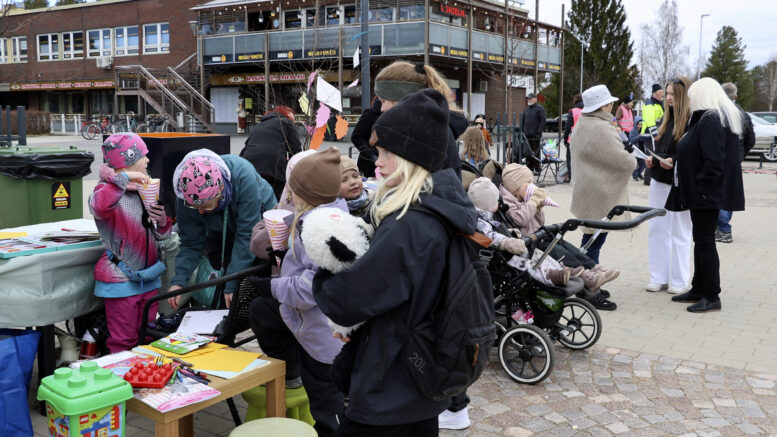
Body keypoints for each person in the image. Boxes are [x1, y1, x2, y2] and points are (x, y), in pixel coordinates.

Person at [313, 89, 476, 436]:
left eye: (387, 152)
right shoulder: (443, 206)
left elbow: (348, 299)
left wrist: (323, 277)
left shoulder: (412, 224)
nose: (377, 162)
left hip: (391, 383)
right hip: (418, 377)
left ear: (411, 157)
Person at [248, 148, 346, 437]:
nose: (289, 194)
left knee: (328, 409)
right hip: (310, 328)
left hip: (322, 336)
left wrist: (273, 286)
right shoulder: (323, 215)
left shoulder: (320, 229)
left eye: (293, 189)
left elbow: (310, 288)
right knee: (263, 311)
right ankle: (292, 373)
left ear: (304, 193)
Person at [667, 78, 745, 313]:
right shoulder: (709, 117)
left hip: (705, 194)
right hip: (704, 193)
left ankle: (711, 295)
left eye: (692, 96)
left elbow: (714, 161)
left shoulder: (711, 119)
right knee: (701, 241)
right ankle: (699, 288)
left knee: (705, 242)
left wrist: (701, 188)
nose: (689, 101)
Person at [89, 133, 172, 352]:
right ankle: (123, 381)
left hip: (149, 278)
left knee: (147, 337)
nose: (147, 161)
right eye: (143, 156)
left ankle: (144, 381)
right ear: (128, 161)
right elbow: (99, 206)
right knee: (123, 341)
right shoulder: (104, 191)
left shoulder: (145, 190)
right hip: (121, 279)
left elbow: (162, 235)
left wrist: (162, 221)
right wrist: (123, 180)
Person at [498, 163, 618, 310]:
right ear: (515, 185)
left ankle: (595, 269)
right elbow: (520, 219)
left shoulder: (523, 198)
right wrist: (533, 201)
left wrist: (538, 208)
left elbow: (539, 222)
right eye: (528, 183)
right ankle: (588, 279)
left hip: (539, 236)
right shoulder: (506, 201)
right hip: (529, 245)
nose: (532, 185)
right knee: (562, 254)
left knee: (570, 248)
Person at [167, 149, 277, 309]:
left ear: (220, 189)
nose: (200, 212)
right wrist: (179, 281)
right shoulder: (186, 191)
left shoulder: (243, 175)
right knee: (218, 275)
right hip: (219, 230)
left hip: (257, 226)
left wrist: (232, 285)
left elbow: (246, 235)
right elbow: (191, 242)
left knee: (247, 282)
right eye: (195, 206)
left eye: (206, 206)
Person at [569, 84, 636, 264]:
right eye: (609, 104)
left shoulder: (583, 124)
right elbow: (623, 161)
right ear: (602, 106)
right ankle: (590, 280)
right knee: (594, 242)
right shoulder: (601, 127)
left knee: (590, 238)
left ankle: (587, 277)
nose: (611, 107)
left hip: (584, 190)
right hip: (599, 194)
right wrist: (631, 156)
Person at [373, 60, 468, 177]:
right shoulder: (430, 128)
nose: (382, 108)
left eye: (383, 101)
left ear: (401, 99)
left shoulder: (425, 135)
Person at [645, 77, 693, 294]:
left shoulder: (691, 120)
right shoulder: (666, 118)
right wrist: (653, 160)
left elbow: (691, 153)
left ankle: (680, 280)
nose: (668, 97)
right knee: (657, 229)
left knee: (680, 232)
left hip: (679, 184)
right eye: (667, 93)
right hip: (658, 180)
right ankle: (658, 276)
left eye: (673, 93)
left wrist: (673, 160)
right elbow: (661, 148)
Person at [715, 82, 755, 244]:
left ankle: (723, 229)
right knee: (728, 193)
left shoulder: (716, 113)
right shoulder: (742, 114)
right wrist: (741, 155)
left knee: (718, 192)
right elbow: (750, 139)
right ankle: (722, 228)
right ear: (735, 96)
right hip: (733, 161)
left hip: (717, 158)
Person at [240, 106, 302, 200]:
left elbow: (246, 147)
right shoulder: (286, 122)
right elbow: (296, 148)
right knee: (276, 197)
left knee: (254, 196)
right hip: (273, 165)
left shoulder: (258, 126)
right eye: (292, 114)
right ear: (287, 113)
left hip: (250, 163)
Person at [351, 96, 382, 177]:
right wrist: (371, 156)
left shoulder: (396, 114)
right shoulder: (370, 114)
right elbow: (356, 137)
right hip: (369, 166)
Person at [641, 84, 665, 186]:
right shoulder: (649, 104)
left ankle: (650, 178)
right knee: (651, 156)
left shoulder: (658, 104)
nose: (662, 95)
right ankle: (648, 180)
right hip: (649, 135)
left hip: (654, 135)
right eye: (660, 93)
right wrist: (655, 134)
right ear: (654, 93)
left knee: (653, 155)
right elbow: (650, 121)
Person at [520, 92, 546, 172]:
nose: (528, 100)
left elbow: (542, 120)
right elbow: (523, 120)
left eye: (530, 98)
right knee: (528, 152)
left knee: (536, 152)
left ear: (535, 99)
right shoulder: (526, 109)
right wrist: (522, 130)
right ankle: (529, 167)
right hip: (526, 134)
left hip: (535, 135)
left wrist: (538, 132)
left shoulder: (540, 108)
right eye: (528, 98)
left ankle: (537, 167)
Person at [562, 94, 584, 182]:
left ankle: (572, 178)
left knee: (570, 159)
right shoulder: (587, 111)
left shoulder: (573, 111)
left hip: (573, 140)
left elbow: (568, 127)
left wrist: (565, 138)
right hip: (585, 139)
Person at [629, 116, 647, 181]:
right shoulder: (633, 131)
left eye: (641, 124)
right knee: (636, 163)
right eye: (639, 124)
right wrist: (639, 136)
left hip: (642, 149)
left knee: (643, 163)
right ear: (636, 124)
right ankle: (635, 176)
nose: (640, 125)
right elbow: (632, 140)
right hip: (636, 150)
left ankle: (639, 173)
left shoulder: (643, 130)